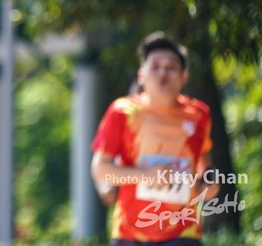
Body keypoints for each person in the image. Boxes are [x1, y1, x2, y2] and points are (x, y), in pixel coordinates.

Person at [90, 32, 220, 246]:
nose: (163, 73)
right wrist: (147, 175)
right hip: (130, 232)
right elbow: (101, 169)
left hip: (183, 232)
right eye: (155, 66)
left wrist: (209, 184)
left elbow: (204, 167)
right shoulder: (122, 112)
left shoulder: (199, 114)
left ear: (184, 76)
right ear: (141, 75)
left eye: (171, 67)